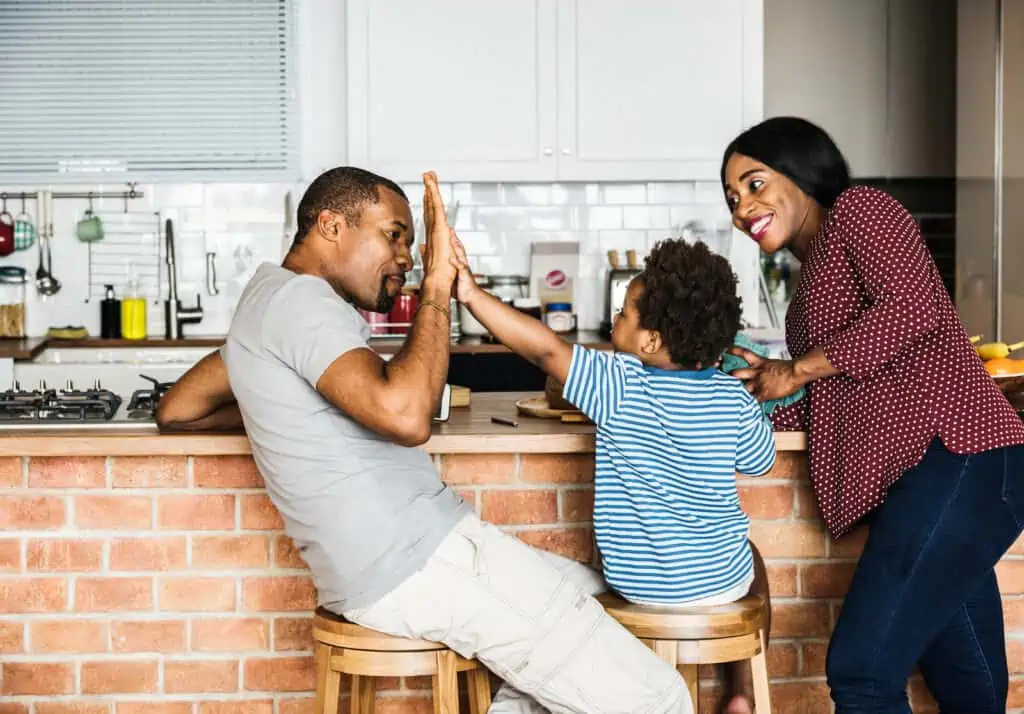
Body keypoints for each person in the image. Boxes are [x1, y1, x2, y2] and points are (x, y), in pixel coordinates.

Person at [155, 166, 693, 714]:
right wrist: (439, 285)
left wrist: (285, 411)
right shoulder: (301, 304)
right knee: (663, 699)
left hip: (393, 564)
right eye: (394, 235)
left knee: (590, 591)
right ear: (331, 225)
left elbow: (177, 409)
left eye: (414, 244)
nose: (407, 258)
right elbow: (407, 416)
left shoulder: (267, 303)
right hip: (420, 561)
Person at [720, 115, 1024, 714]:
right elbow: (845, 392)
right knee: (971, 690)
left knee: (862, 670)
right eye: (732, 198)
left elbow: (913, 308)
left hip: (959, 457)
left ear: (802, 169)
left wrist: (798, 369)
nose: (741, 208)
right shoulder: (809, 284)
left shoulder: (860, 209)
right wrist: (748, 395)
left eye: (754, 184)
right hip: (933, 484)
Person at [450, 234, 775, 714]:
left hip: (638, 587)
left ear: (651, 341)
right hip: (720, 587)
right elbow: (761, 460)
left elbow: (544, 351)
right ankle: (743, 690)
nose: (615, 319)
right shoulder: (733, 399)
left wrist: (472, 295)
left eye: (624, 313)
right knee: (751, 556)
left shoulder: (618, 384)